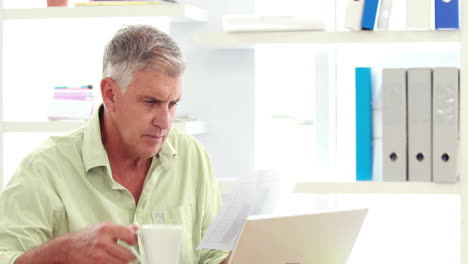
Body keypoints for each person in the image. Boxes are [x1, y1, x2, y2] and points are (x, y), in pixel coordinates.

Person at [0, 25, 230, 264]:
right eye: (151, 102)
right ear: (110, 94)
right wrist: (58, 254)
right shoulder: (45, 169)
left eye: (172, 104)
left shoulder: (192, 156)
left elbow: (213, 255)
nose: (165, 122)